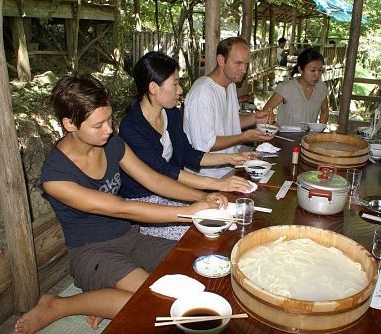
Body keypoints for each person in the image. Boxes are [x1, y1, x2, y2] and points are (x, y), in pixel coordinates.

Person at [14, 74, 226, 334]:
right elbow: (119, 207)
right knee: (155, 302)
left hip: (131, 238)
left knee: (192, 265)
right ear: (69, 123)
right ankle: (59, 305)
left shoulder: (112, 144)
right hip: (92, 253)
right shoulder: (55, 176)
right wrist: (187, 213)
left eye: (109, 119)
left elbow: (154, 180)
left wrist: (201, 197)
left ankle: (103, 299)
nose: (109, 129)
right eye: (98, 124)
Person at [119, 51, 254, 240]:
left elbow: (188, 154)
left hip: (171, 191)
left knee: (227, 221)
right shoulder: (132, 127)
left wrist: (231, 158)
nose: (180, 90)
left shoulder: (171, 114)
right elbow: (162, 172)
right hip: (143, 201)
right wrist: (215, 185)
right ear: (153, 88)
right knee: (205, 230)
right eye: (175, 83)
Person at [183, 37, 273, 178]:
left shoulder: (230, 84)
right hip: (208, 176)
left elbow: (229, 121)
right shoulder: (202, 93)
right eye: (238, 63)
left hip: (231, 166)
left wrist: (254, 118)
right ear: (221, 60)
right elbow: (206, 144)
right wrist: (243, 137)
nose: (243, 70)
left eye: (246, 64)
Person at [262, 48, 329, 128]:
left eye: (320, 70)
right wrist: (276, 128)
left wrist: (319, 131)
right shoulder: (286, 88)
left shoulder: (321, 88)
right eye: (312, 70)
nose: (317, 75)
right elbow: (265, 111)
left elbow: (325, 111)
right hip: (285, 138)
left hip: (308, 139)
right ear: (300, 69)